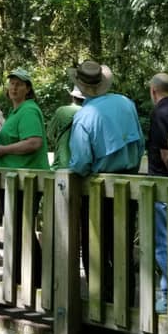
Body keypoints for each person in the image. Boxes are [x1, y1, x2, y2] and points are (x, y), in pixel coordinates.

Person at [68, 61, 145, 301]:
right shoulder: (126, 103)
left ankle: (101, 305)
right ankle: (126, 305)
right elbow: (141, 142)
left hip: (97, 190)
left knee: (95, 249)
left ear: (80, 86)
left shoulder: (84, 116)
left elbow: (80, 163)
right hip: (129, 184)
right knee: (122, 246)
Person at [0, 68, 49, 293]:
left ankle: (36, 281)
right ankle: (24, 278)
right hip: (13, 181)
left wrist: (2, 150)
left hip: (26, 181)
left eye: (19, 84)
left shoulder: (29, 110)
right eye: (11, 83)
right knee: (18, 230)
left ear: (28, 88)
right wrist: (0, 119)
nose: (14, 87)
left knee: (22, 230)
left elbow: (34, 142)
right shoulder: (16, 112)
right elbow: (15, 133)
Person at [148, 72, 168, 313]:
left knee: (163, 243)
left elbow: (166, 154)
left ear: (153, 91)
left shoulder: (159, 113)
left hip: (163, 185)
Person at [47, 85, 84, 170]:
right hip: (84, 168)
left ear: (73, 97)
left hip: (63, 164)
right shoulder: (91, 112)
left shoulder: (62, 111)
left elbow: (50, 134)